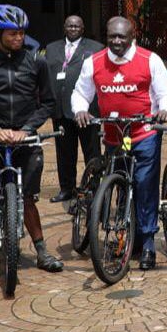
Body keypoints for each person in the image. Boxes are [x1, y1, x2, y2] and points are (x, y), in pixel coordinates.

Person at [0, 5, 63, 281]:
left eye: (21, 33)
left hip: (26, 139)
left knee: (28, 198)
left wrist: (27, 129)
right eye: (12, 33)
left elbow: (49, 103)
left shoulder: (36, 62)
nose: (19, 38)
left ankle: (41, 252)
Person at [72, 16, 167, 271]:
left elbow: (165, 93)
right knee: (119, 184)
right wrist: (81, 110)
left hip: (144, 134)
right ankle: (127, 232)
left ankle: (148, 240)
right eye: (112, 37)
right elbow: (81, 93)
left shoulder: (149, 60)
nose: (116, 42)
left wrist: (166, 110)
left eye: (122, 37)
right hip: (113, 135)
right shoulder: (93, 62)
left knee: (144, 185)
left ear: (132, 37)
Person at [42, 15, 104, 203]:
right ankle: (66, 189)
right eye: (70, 25)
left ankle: (94, 189)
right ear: (64, 27)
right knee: (64, 153)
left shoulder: (96, 48)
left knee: (91, 151)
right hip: (60, 111)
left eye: (77, 26)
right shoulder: (51, 48)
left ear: (83, 28)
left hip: (87, 111)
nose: (73, 28)